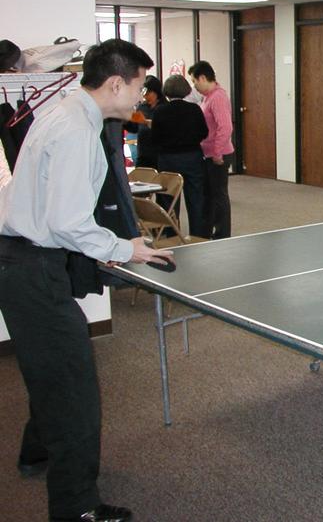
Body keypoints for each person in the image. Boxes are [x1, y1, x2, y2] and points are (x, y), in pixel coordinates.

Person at [0, 38, 174, 522]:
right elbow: (67, 222)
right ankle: (77, 508)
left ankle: (36, 453)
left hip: (22, 263)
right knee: (74, 389)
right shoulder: (76, 128)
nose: (141, 96)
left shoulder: (65, 113)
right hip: (32, 267)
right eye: (139, 86)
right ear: (116, 82)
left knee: (50, 369)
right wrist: (124, 248)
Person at [151, 74, 208, 236]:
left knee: (169, 199)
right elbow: (204, 132)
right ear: (186, 90)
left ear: (166, 92)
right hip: (192, 157)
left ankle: (171, 234)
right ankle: (199, 235)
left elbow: (155, 138)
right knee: (196, 198)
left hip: (168, 159)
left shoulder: (160, 111)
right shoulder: (194, 109)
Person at [188, 60, 234, 239]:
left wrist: (216, 152)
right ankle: (212, 230)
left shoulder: (218, 97)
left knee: (219, 196)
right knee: (211, 195)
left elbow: (225, 127)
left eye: (194, 81)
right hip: (208, 153)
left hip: (219, 154)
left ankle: (223, 234)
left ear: (203, 77)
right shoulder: (207, 97)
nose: (194, 85)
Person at [126, 75, 165, 168]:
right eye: (144, 94)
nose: (145, 96)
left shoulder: (165, 107)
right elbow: (134, 128)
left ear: (156, 92)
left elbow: (166, 129)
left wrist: (147, 122)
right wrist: (126, 120)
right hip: (143, 154)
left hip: (160, 155)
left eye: (148, 93)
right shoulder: (142, 107)